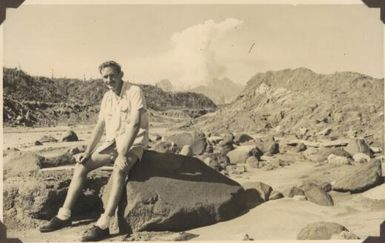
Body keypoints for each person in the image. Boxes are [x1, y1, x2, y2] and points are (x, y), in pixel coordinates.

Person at [39, 61, 149, 241]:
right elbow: (100, 127)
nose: (109, 80)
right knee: (81, 166)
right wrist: (88, 151)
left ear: (121, 74)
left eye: (112, 75)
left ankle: (104, 223)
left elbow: (135, 124)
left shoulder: (134, 91)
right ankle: (64, 215)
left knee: (120, 170)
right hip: (112, 143)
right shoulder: (107, 97)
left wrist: (122, 154)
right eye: (105, 77)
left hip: (134, 142)